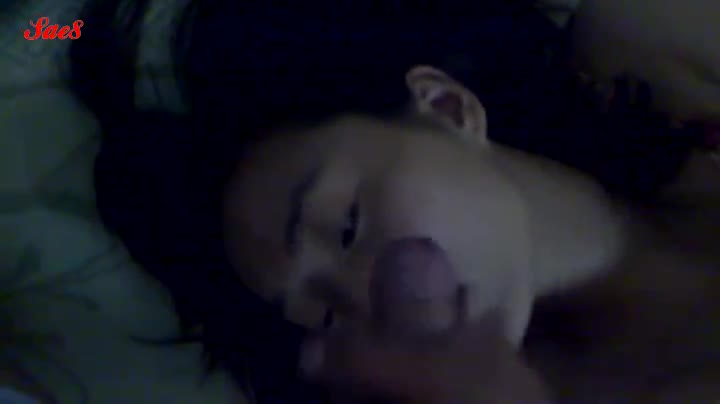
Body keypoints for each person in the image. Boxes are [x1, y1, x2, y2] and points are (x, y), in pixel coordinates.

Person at [67, 0, 701, 402]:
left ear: (446, 108)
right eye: (327, 314)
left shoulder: (659, 55)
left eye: (347, 227)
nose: (367, 300)